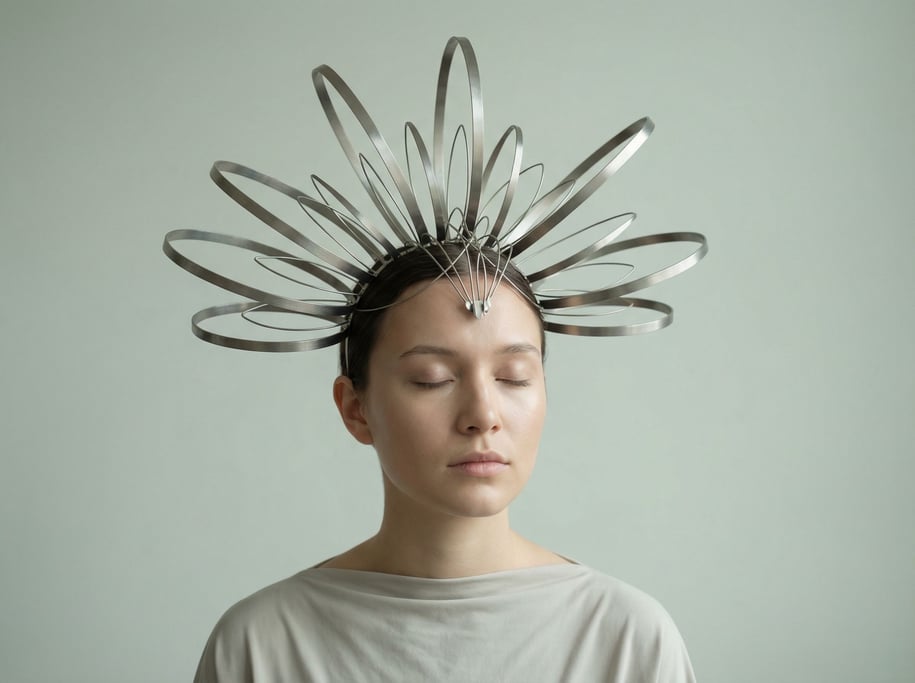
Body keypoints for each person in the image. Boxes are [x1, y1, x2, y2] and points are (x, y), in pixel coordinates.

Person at [165, 37, 706, 683]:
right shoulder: (262, 643)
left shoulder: (625, 639)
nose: (482, 413)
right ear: (355, 407)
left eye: (513, 375)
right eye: (432, 377)